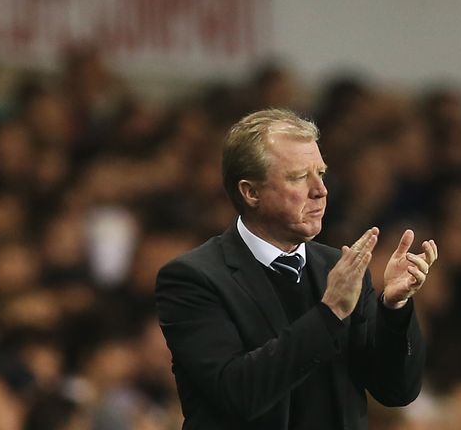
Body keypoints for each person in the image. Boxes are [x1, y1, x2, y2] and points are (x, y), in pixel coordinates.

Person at [156, 108, 438, 429]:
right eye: (299, 177)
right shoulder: (193, 278)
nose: (320, 190)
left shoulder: (338, 267)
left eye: (321, 173)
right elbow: (238, 394)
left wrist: (394, 308)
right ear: (250, 192)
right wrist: (329, 312)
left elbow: (396, 391)